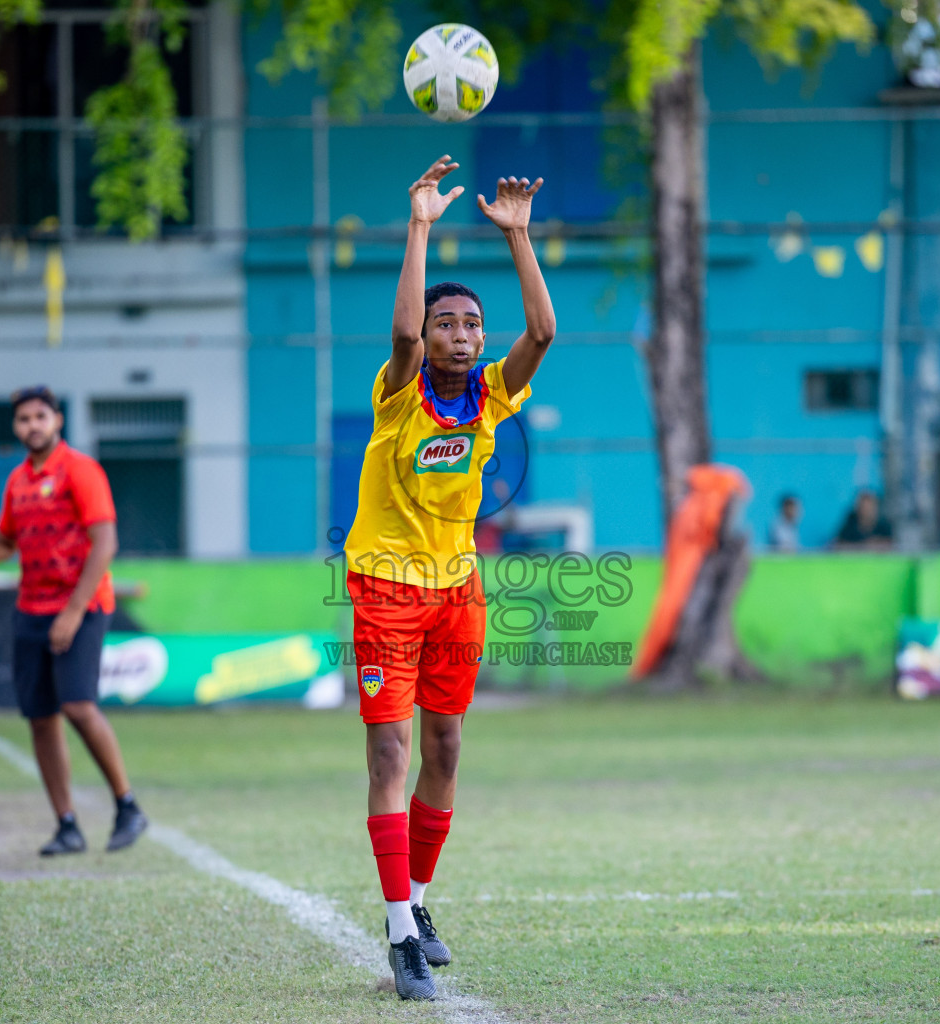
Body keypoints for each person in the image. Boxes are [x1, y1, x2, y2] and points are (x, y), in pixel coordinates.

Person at [343, 157, 554, 1000]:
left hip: (457, 592)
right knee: (390, 749)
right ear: (426, 338)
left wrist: (520, 238)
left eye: (470, 324)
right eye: (447, 324)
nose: (461, 334)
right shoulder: (398, 391)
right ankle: (397, 933)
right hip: (386, 591)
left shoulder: (494, 397)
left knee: (447, 746)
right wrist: (421, 225)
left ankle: (419, 906)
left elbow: (540, 334)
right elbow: (398, 337)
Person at [0, 386, 146, 856]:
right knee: (40, 719)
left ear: (57, 421)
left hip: (83, 606)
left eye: (40, 417)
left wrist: (72, 613)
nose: (32, 425)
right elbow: (6, 542)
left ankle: (127, 805)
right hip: (31, 608)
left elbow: (105, 543)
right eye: (23, 419)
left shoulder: (80, 471)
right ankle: (66, 824)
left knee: (77, 706)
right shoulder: (18, 482)